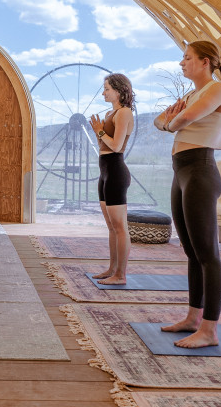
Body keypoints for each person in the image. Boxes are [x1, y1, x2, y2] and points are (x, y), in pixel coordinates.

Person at [153, 40, 221, 349]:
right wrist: (170, 122)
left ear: (205, 62)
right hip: (181, 170)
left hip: (200, 170)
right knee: (190, 251)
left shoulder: (216, 90)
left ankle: (209, 331)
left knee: (207, 254)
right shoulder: (191, 95)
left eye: (187, 58)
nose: (181, 63)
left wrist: (172, 122)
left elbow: (179, 120)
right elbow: (159, 121)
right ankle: (192, 318)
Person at [88, 73, 135, 285]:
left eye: (107, 88)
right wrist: (98, 132)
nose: (103, 92)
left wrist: (99, 131)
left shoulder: (124, 113)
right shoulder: (110, 113)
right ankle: (112, 269)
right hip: (105, 170)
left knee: (119, 226)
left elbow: (115, 146)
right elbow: (103, 146)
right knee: (111, 226)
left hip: (116, 171)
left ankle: (121, 275)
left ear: (118, 90)